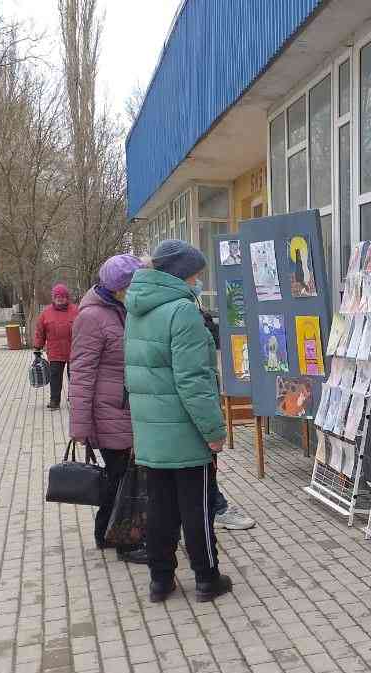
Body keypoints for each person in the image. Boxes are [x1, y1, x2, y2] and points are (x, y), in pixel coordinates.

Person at [125, 240, 231, 603]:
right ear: (181, 274)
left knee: (160, 508)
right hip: (185, 432)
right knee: (197, 508)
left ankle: (161, 580)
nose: (198, 282)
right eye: (197, 276)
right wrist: (214, 432)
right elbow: (194, 381)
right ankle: (206, 578)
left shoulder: (137, 308)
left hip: (151, 431)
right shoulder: (182, 312)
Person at [69, 254, 147, 564]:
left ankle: (105, 534)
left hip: (125, 409)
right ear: (118, 288)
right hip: (108, 412)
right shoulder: (92, 317)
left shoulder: (121, 311)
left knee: (121, 477)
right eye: (133, 285)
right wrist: (80, 427)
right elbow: (81, 373)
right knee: (122, 479)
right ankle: (125, 542)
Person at [196, 303, 257, 532]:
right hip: (182, 419)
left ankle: (214, 507)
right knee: (199, 468)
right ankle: (215, 510)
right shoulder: (180, 317)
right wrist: (214, 431)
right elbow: (194, 383)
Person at [34, 284, 79, 409]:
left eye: (63, 297)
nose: (60, 299)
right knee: (55, 377)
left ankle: (74, 399)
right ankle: (55, 400)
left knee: (75, 377)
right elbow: (40, 331)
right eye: (57, 297)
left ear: (67, 297)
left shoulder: (76, 311)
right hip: (55, 352)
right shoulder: (46, 313)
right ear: (53, 298)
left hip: (74, 351)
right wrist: (37, 347)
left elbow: (84, 329)